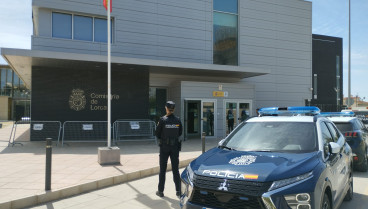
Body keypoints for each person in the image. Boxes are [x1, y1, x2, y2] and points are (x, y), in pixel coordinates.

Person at [155, 101, 183, 198]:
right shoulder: (178, 120)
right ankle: (179, 191)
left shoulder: (162, 120)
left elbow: (157, 133)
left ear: (166, 108)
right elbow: (180, 132)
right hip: (174, 147)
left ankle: (160, 191)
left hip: (164, 148)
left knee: (162, 170)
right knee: (175, 170)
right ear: (173, 109)